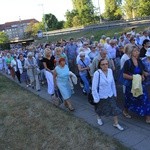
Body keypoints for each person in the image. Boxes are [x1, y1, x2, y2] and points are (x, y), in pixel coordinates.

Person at [92, 59, 124, 131]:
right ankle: (98, 118)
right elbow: (94, 87)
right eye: (103, 64)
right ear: (100, 65)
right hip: (101, 95)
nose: (105, 65)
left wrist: (115, 93)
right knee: (100, 108)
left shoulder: (110, 71)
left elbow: (112, 83)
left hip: (110, 94)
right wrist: (96, 98)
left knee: (114, 108)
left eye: (106, 64)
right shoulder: (97, 73)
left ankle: (116, 123)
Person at [123, 46, 150, 123]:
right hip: (131, 85)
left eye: (138, 51)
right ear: (131, 53)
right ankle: (125, 111)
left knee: (145, 98)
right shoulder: (127, 62)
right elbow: (124, 75)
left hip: (140, 84)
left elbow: (141, 71)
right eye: (135, 51)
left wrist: (142, 75)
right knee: (129, 99)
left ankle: (148, 117)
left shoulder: (140, 61)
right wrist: (135, 78)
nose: (137, 52)